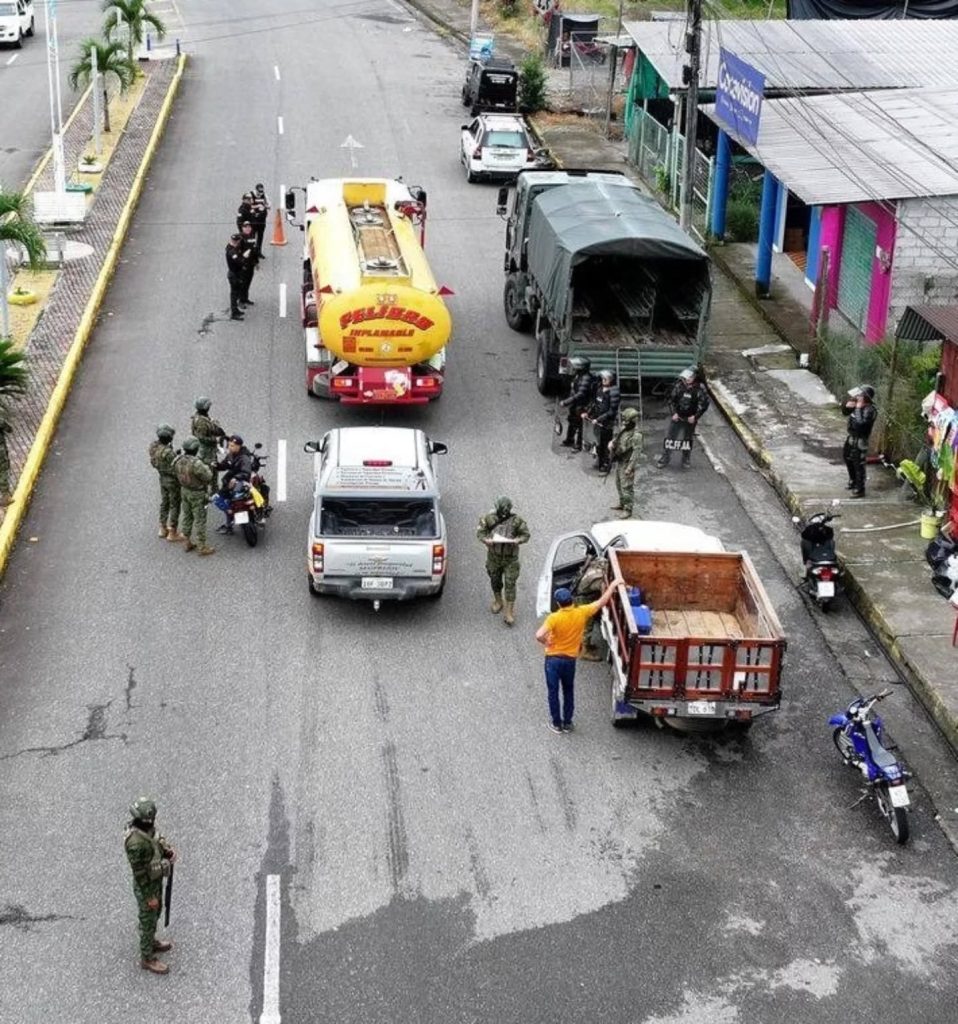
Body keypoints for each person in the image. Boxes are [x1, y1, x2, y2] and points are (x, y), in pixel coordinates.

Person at [535, 581, 619, 732]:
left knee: (553, 692)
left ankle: (556, 723)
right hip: (569, 660)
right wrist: (612, 586)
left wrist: (546, 642)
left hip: (553, 660)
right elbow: (600, 602)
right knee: (568, 690)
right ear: (571, 601)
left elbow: (539, 634)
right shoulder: (581, 612)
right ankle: (568, 722)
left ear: (559, 604)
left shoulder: (554, 618)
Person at [124, 797, 176, 976]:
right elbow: (140, 874)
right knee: (148, 920)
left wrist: (167, 850)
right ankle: (147, 957)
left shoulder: (146, 828)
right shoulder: (135, 843)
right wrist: (149, 897)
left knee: (156, 913)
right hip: (146, 886)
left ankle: (152, 940)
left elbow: (156, 837)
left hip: (154, 882)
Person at [476, 496, 530, 626]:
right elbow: (480, 532)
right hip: (494, 557)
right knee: (495, 580)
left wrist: (518, 540)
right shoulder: (488, 518)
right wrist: (486, 540)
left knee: (510, 583)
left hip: (510, 559)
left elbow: (526, 534)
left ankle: (509, 612)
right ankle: (498, 601)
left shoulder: (517, 521)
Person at [656, 365, 710, 468]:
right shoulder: (679, 385)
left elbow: (704, 405)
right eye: (686, 377)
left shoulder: (700, 388)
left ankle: (686, 459)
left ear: (695, 377)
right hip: (678, 416)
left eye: (690, 377)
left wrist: (695, 416)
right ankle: (665, 458)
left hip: (690, 419)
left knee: (687, 439)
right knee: (670, 438)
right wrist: (674, 413)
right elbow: (671, 399)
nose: (687, 379)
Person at [173, 437, 215, 555]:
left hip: (184, 490)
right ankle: (202, 547)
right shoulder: (197, 463)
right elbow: (208, 476)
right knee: (200, 519)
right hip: (197, 493)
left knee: (187, 516)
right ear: (196, 449)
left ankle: (187, 542)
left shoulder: (178, 460)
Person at [148, 424, 185, 542]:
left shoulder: (154, 447)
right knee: (175, 504)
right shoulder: (168, 453)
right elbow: (177, 467)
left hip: (162, 478)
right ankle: (172, 532)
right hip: (172, 481)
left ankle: (162, 527)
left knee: (165, 502)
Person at [214, 434, 255, 533]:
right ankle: (230, 519)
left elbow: (246, 473)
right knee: (223, 500)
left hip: (240, 483)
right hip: (231, 483)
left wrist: (235, 478)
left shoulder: (244, 458)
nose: (229, 447)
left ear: (238, 446)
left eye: (232, 446)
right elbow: (225, 464)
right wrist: (217, 465)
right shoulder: (231, 455)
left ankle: (230, 515)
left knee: (217, 499)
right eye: (229, 445)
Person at [843, 385, 877, 498]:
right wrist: (847, 405)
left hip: (860, 440)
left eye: (860, 395)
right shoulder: (857, 406)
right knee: (847, 458)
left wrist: (858, 408)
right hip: (851, 437)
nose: (858, 397)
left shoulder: (870, 410)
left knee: (859, 464)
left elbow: (860, 425)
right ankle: (853, 481)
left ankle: (860, 488)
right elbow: (845, 412)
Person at [608, 407, 642, 518]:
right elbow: (617, 437)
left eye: (626, 421)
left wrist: (629, 468)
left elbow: (636, 454)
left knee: (627, 487)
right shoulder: (624, 428)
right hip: (620, 460)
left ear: (633, 421)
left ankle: (628, 509)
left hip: (627, 463)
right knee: (618, 484)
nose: (624, 423)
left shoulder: (637, 435)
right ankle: (622, 503)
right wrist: (612, 443)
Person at [559, 356, 595, 451]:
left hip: (582, 405)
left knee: (580, 425)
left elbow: (581, 394)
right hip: (575, 404)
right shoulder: (578, 375)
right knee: (572, 421)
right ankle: (569, 440)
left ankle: (578, 445)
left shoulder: (586, 378)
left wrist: (566, 402)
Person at [191, 397, 226, 489]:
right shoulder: (201, 422)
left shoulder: (202, 417)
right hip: (206, 453)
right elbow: (201, 438)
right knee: (211, 475)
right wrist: (216, 440)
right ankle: (211, 495)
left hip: (208, 451)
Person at [589, 370, 620, 471]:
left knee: (606, 444)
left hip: (606, 424)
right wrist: (588, 413)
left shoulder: (614, 393)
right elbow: (595, 404)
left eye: (606, 379)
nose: (603, 380)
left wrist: (599, 419)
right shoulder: (600, 390)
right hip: (597, 423)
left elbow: (611, 412)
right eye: (603, 378)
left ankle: (606, 464)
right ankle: (599, 460)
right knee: (598, 443)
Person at [225, 234, 248, 321]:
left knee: (236, 292)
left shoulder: (229, 247)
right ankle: (234, 313)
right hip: (234, 275)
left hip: (235, 273)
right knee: (234, 294)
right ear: (237, 241)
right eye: (239, 241)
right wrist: (244, 257)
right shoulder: (232, 252)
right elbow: (240, 262)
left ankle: (236, 310)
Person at [237, 221, 259, 306]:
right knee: (242, 283)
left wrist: (256, 262)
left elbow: (254, 251)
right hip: (243, 265)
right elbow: (237, 252)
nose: (248, 228)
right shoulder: (240, 238)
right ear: (242, 228)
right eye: (245, 227)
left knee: (248, 282)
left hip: (251, 264)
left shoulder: (252, 236)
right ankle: (240, 300)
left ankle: (245, 298)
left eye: (249, 227)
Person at [251, 183, 270, 259]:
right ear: (256, 190)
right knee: (252, 237)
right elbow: (248, 205)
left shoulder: (264, 195)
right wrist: (258, 206)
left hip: (261, 220)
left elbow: (269, 205)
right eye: (259, 192)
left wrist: (265, 206)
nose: (260, 193)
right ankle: (252, 253)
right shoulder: (251, 195)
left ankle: (259, 252)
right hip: (253, 220)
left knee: (260, 237)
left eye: (261, 191)